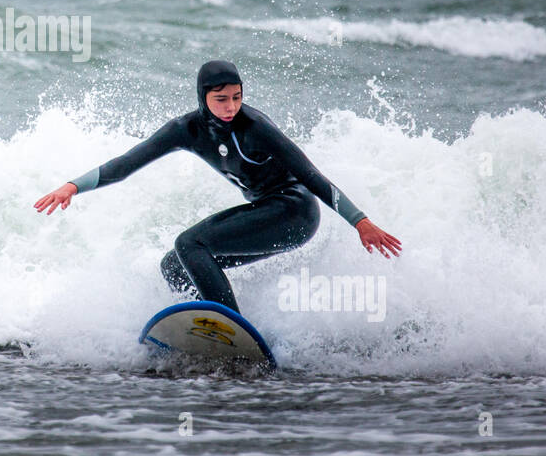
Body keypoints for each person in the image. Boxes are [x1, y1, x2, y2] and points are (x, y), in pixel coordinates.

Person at [33, 60, 402, 315]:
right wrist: (72, 186)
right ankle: (205, 327)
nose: (231, 107)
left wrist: (360, 221)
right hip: (267, 213)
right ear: (203, 97)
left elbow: (311, 175)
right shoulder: (186, 130)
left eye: (237, 97)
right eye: (221, 99)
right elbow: (125, 165)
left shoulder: (255, 127)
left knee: (189, 244)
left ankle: (229, 326)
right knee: (176, 266)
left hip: (294, 213)